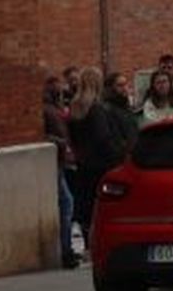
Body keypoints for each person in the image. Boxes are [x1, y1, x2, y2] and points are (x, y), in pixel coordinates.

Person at [68, 67, 139, 241]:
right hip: (102, 164)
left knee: (86, 203)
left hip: (83, 163)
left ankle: (86, 240)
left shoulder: (75, 107)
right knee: (101, 205)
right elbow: (103, 137)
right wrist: (119, 152)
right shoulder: (97, 109)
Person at [43, 75, 80, 268]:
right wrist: (62, 144)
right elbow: (43, 134)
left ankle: (67, 249)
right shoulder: (47, 109)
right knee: (66, 203)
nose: (61, 88)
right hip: (56, 162)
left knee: (67, 203)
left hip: (61, 161)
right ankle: (65, 250)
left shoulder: (55, 108)